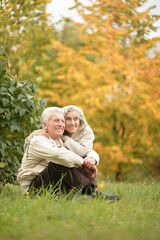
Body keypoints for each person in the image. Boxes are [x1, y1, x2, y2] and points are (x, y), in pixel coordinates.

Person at [17, 107, 121, 200]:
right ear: (45, 125)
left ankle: (88, 191)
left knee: (78, 158)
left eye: (62, 121)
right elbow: (57, 155)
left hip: (49, 185)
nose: (61, 124)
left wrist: (90, 159)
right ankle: (91, 193)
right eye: (56, 120)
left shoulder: (59, 141)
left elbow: (85, 151)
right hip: (32, 189)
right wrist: (82, 162)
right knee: (60, 161)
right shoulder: (38, 140)